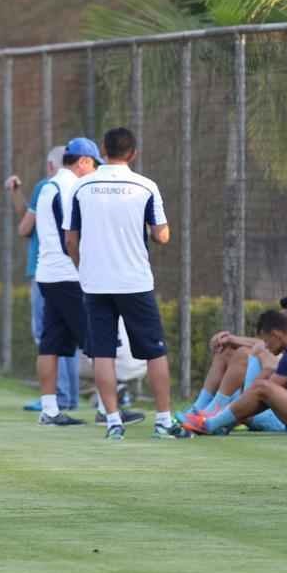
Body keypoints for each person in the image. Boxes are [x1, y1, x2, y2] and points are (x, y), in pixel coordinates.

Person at [64, 126, 190, 441]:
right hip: (134, 281)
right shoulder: (146, 186)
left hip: (96, 284)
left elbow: (70, 239)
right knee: (154, 352)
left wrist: (84, 270)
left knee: (103, 354)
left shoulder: (82, 187)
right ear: (133, 153)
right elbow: (161, 235)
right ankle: (163, 421)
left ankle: (113, 423)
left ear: (103, 151)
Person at [30, 138, 102, 426]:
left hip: (47, 275)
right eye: (94, 165)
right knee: (98, 342)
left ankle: (49, 411)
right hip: (69, 276)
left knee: (50, 343)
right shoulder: (72, 188)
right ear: (83, 161)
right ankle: (109, 411)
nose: (96, 171)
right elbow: (71, 238)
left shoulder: (49, 185)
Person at [182, 310, 287, 435]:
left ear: (276, 335)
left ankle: (209, 423)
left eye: (266, 341)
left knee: (261, 388)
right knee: (261, 389)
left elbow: (260, 394)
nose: (265, 345)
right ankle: (213, 420)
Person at [6, 146, 78, 413]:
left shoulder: (46, 187)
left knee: (47, 335)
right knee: (71, 335)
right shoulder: (80, 187)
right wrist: (16, 195)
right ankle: (68, 396)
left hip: (46, 270)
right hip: (74, 270)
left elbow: (25, 227)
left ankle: (58, 396)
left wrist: (17, 195)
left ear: (51, 166)